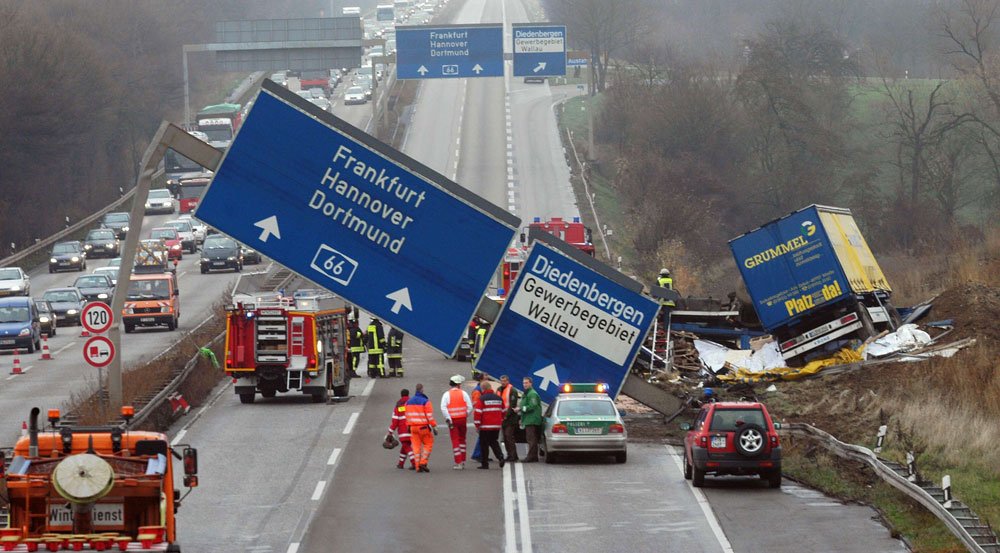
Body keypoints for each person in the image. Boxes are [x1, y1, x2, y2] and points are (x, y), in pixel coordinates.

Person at [440, 374, 472, 469]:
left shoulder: (447, 394)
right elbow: (470, 407)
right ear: (458, 384)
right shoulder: (464, 393)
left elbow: (443, 408)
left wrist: (448, 418)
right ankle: (462, 460)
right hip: (462, 419)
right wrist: (465, 414)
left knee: (455, 441)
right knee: (462, 440)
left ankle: (458, 462)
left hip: (453, 421)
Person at [405, 383, 437, 472]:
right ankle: (423, 462)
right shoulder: (425, 401)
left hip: (412, 428)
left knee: (416, 447)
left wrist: (408, 426)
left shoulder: (408, 402)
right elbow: (429, 416)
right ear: (422, 390)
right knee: (428, 444)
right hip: (423, 427)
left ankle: (417, 466)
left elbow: (406, 416)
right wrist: (434, 426)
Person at [473, 382, 505, 469]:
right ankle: (500, 457)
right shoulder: (499, 398)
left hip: (485, 426)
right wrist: (500, 421)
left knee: (484, 445)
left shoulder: (482, 399)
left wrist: (477, 425)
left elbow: (478, 413)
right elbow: (503, 411)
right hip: (496, 426)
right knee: (494, 442)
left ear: (483, 389)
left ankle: (485, 464)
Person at [386, 388, 415, 470]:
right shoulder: (412, 403)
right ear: (408, 394)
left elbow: (395, 421)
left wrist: (390, 432)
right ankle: (400, 463)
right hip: (413, 428)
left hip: (403, 430)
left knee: (406, 446)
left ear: (401, 395)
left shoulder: (399, 405)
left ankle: (414, 462)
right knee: (405, 447)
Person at [518, 377, 543, 463]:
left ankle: (531, 457)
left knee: (531, 439)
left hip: (532, 420)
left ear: (531, 383)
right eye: (524, 383)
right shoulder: (527, 393)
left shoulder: (532, 394)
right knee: (531, 439)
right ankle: (534, 456)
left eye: (526, 383)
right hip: (528, 419)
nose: (525, 384)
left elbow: (532, 406)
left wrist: (521, 408)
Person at [498, 375, 521, 462]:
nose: (503, 382)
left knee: (509, 436)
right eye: (501, 381)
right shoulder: (499, 390)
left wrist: (506, 415)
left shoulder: (512, 390)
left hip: (510, 418)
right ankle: (509, 455)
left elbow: (512, 404)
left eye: (504, 381)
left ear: (508, 381)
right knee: (505, 438)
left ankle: (513, 455)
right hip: (502, 418)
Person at [469, 372, 485, 462]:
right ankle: (477, 454)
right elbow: (476, 404)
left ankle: (482, 454)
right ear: (481, 379)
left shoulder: (481, 389)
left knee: (486, 437)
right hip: (480, 415)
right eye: (486, 377)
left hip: (483, 415)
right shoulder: (477, 390)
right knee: (482, 436)